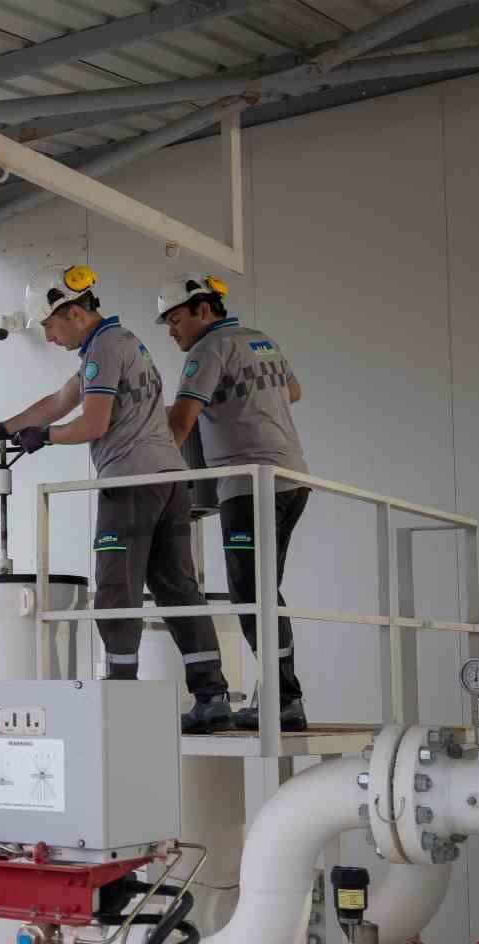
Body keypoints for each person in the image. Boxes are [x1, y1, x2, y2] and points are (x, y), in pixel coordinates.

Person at [0, 264, 232, 733]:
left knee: (115, 587)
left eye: (48, 324)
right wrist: (0, 430)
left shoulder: (103, 349)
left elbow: (92, 424)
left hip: (130, 484)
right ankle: (213, 695)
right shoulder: (120, 343)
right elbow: (58, 400)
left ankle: (121, 693)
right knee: (178, 590)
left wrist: (43, 438)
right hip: (170, 481)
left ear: (72, 313)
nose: (47, 336)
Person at [158, 274, 309, 731]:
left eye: (175, 318)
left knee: (250, 594)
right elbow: (293, 392)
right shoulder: (260, 341)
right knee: (263, 593)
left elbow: (182, 422)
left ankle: (285, 700)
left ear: (204, 310)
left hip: (249, 485)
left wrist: (151, 470)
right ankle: (281, 698)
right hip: (292, 478)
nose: (171, 330)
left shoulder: (207, 351)